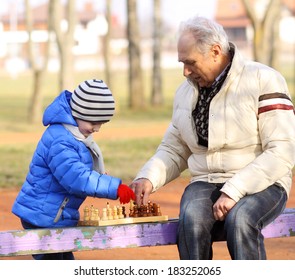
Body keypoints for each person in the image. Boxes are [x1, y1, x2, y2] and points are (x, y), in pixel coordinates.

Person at [130, 16, 295, 260]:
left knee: (240, 221)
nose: (185, 71)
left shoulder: (263, 79)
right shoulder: (185, 92)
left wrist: (234, 191)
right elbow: (175, 148)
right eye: (182, 63)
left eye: (190, 62)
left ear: (215, 51)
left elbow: (282, 150)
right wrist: (148, 177)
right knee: (191, 222)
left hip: (263, 183)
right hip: (206, 180)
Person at [12, 79, 135, 260]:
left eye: (101, 123)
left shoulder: (72, 134)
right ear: (79, 112)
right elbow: (77, 178)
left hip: (54, 215)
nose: (97, 129)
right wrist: (114, 187)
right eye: (94, 122)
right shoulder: (60, 140)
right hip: (42, 217)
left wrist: (99, 176)